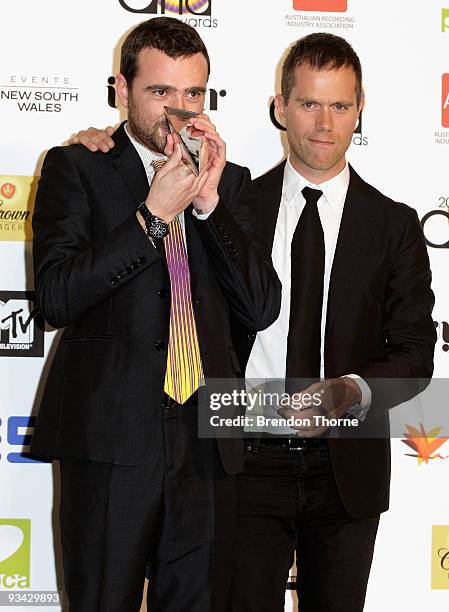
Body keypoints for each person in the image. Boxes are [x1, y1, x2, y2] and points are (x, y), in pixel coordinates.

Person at [72, 33, 436, 612]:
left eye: (340, 106)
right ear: (279, 108)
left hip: (349, 463)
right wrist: (104, 139)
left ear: (360, 110)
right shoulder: (231, 199)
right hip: (240, 460)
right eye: (309, 103)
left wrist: (350, 391)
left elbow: (418, 354)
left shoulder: (394, 225)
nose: (323, 122)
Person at [31, 17, 280, 612]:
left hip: (208, 445)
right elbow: (55, 298)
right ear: (121, 90)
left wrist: (208, 206)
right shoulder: (78, 168)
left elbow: (261, 307)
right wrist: (150, 217)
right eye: (159, 91)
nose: (178, 110)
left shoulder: (232, 184)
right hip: (111, 440)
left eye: (193, 93)